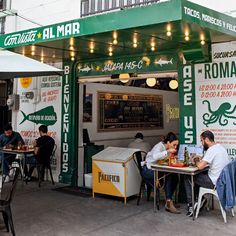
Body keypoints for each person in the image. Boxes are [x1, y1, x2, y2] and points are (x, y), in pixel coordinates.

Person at [184, 130, 230, 217]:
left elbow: (200, 166)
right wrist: (202, 158)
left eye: (202, 140)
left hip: (215, 182)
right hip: (222, 180)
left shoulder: (211, 150)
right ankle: (200, 199)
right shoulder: (219, 147)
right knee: (198, 176)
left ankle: (191, 205)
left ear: (207, 139)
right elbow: (210, 160)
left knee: (188, 177)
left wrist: (196, 160)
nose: (201, 143)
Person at [142, 132, 180, 214]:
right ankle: (169, 202)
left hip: (156, 169)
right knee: (169, 176)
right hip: (148, 171)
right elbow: (155, 156)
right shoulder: (159, 146)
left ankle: (169, 201)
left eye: (176, 145)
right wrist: (168, 151)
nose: (175, 147)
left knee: (175, 177)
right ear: (168, 143)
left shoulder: (167, 148)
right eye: (174, 145)